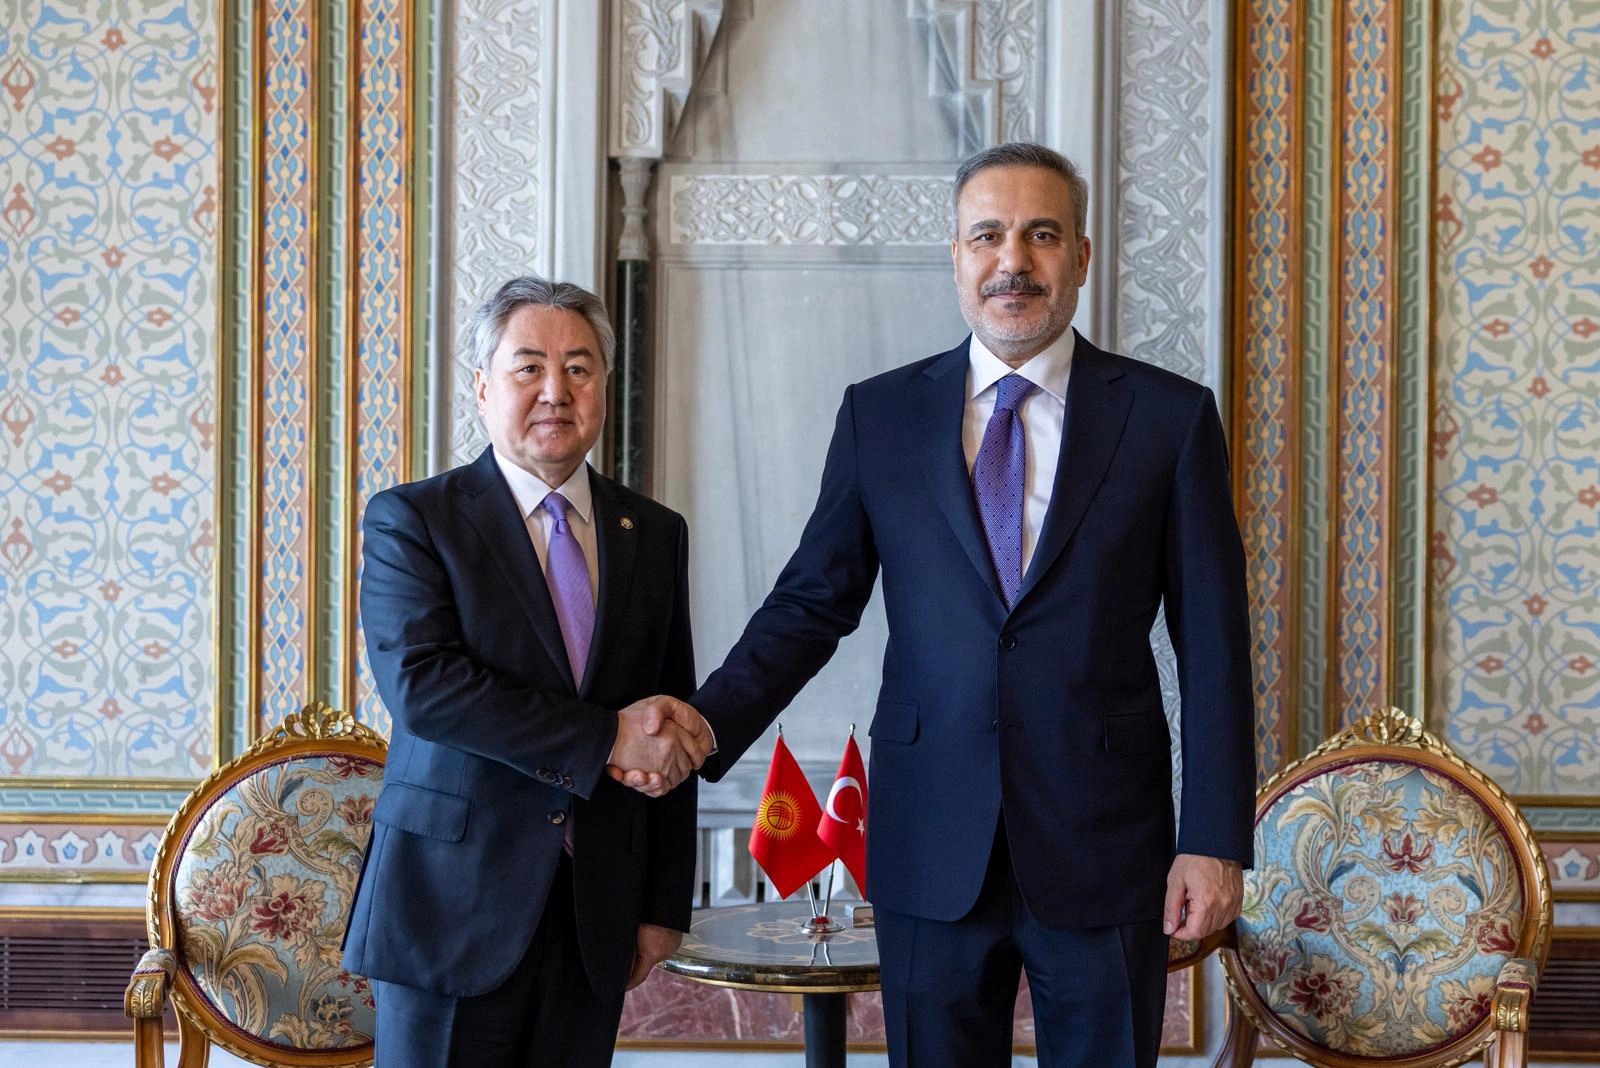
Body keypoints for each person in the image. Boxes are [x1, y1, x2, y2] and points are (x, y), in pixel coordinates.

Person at [615, 143, 1255, 1067]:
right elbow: (811, 603)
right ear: (955, 256)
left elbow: (1215, 645)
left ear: (1081, 255)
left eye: (1041, 236)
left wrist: (1214, 840)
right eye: (987, 236)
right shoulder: (881, 417)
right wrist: (707, 723)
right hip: (930, 838)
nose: (1012, 262)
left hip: (1107, 841)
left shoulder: (1169, 418)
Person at [343, 276, 714, 1068]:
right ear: (483, 386)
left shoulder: (653, 533)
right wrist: (605, 737)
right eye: (529, 368)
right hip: (449, 907)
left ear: (605, 386)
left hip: (594, 914)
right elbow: (426, 691)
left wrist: (662, 903)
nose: (556, 391)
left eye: (579, 368)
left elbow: (668, 717)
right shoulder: (415, 520)